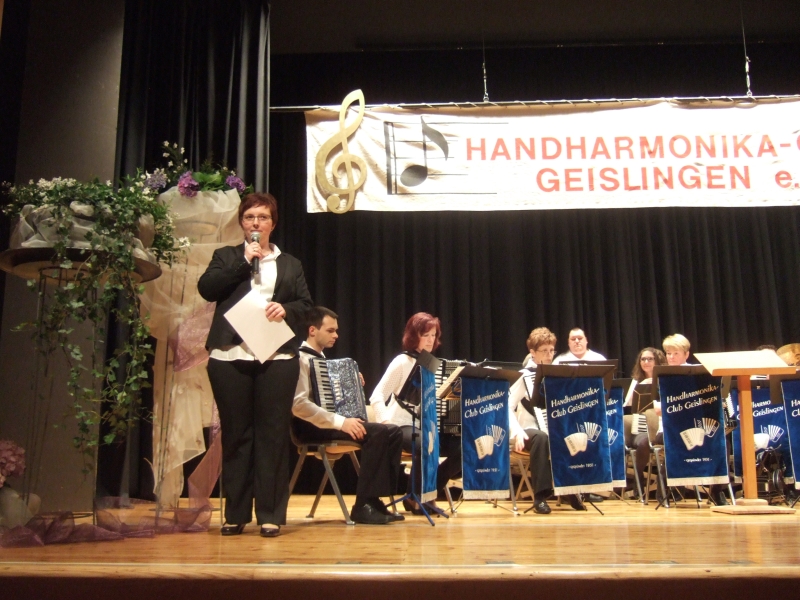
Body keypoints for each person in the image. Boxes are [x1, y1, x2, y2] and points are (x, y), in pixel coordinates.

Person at [198, 192, 312, 537]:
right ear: (241, 223)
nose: (256, 223)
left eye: (263, 217)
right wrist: (243, 262)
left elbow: (306, 306)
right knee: (236, 435)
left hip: (276, 356)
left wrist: (286, 310)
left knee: (272, 435)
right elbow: (207, 288)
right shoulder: (227, 256)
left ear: (272, 224)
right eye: (250, 217)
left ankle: (270, 514)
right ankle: (235, 514)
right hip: (230, 355)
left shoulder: (291, 264)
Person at [292, 306, 404, 525]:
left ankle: (375, 500)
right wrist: (341, 422)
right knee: (378, 432)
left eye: (336, 330)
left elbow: (333, 399)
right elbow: (299, 405)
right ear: (312, 330)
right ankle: (362, 506)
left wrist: (350, 384)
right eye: (330, 330)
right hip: (308, 427)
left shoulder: (324, 361)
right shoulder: (300, 359)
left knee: (393, 432)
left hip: (330, 423)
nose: (336, 335)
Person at [369, 312, 462, 514]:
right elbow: (377, 395)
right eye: (425, 335)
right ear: (414, 336)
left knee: (463, 447)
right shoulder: (402, 361)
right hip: (400, 424)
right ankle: (418, 498)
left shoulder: (432, 363)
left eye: (433, 335)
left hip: (426, 425)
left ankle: (424, 493)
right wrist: (385, 423)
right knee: (426, 442)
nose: (430, 340)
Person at [508, 327, 585, 513]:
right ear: (532, 352)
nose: (549, 355)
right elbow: (506, 406)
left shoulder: (556, 374)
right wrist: (517, 431)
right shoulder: (525, 376)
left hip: (552, 429)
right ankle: (540, 496)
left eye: (551, 350)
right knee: (542, 438)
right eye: (544, 351)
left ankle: (569, 488)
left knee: (574, 435)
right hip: (527, 431)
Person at [629, 347, 668, 491]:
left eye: (650, 359)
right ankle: (638, 478)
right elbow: (627, 405)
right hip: (641, 426)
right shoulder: (636, 381)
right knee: (644, 442)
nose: (646, 362)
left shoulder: (665, 380)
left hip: (662, 425)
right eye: (643, 359)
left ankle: (665, 482)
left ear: (658, 360)